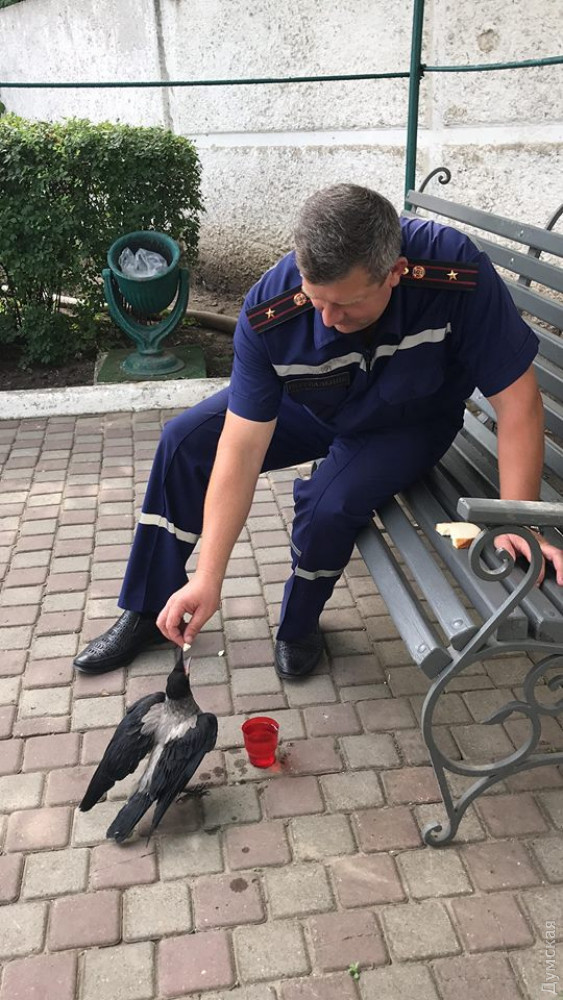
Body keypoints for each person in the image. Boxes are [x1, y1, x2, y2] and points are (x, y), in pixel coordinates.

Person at [74, 183, 563, 681]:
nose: (327, 319)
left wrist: (514, 521)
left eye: (345, 305)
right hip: (314, 404)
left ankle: (299, 625)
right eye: (315, 300)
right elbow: (241, 448)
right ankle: (148, 608)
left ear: (395, 272)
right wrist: (209, 577)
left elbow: (518, 402)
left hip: (409, 420)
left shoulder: (455, 272)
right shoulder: (270, 311)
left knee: (330, 505)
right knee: (183, 442)